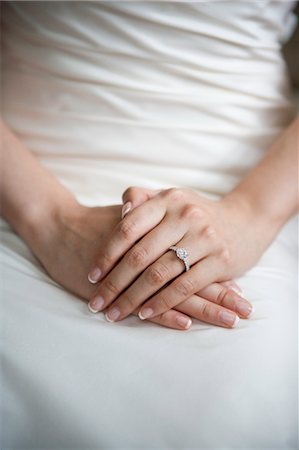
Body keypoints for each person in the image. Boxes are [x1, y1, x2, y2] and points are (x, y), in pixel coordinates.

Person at [1, 2, 298, 448]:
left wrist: (249, 217)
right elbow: (44, 216)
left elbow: (252, 216)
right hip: (22, 181)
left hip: (262, 185)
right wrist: (50, 219)